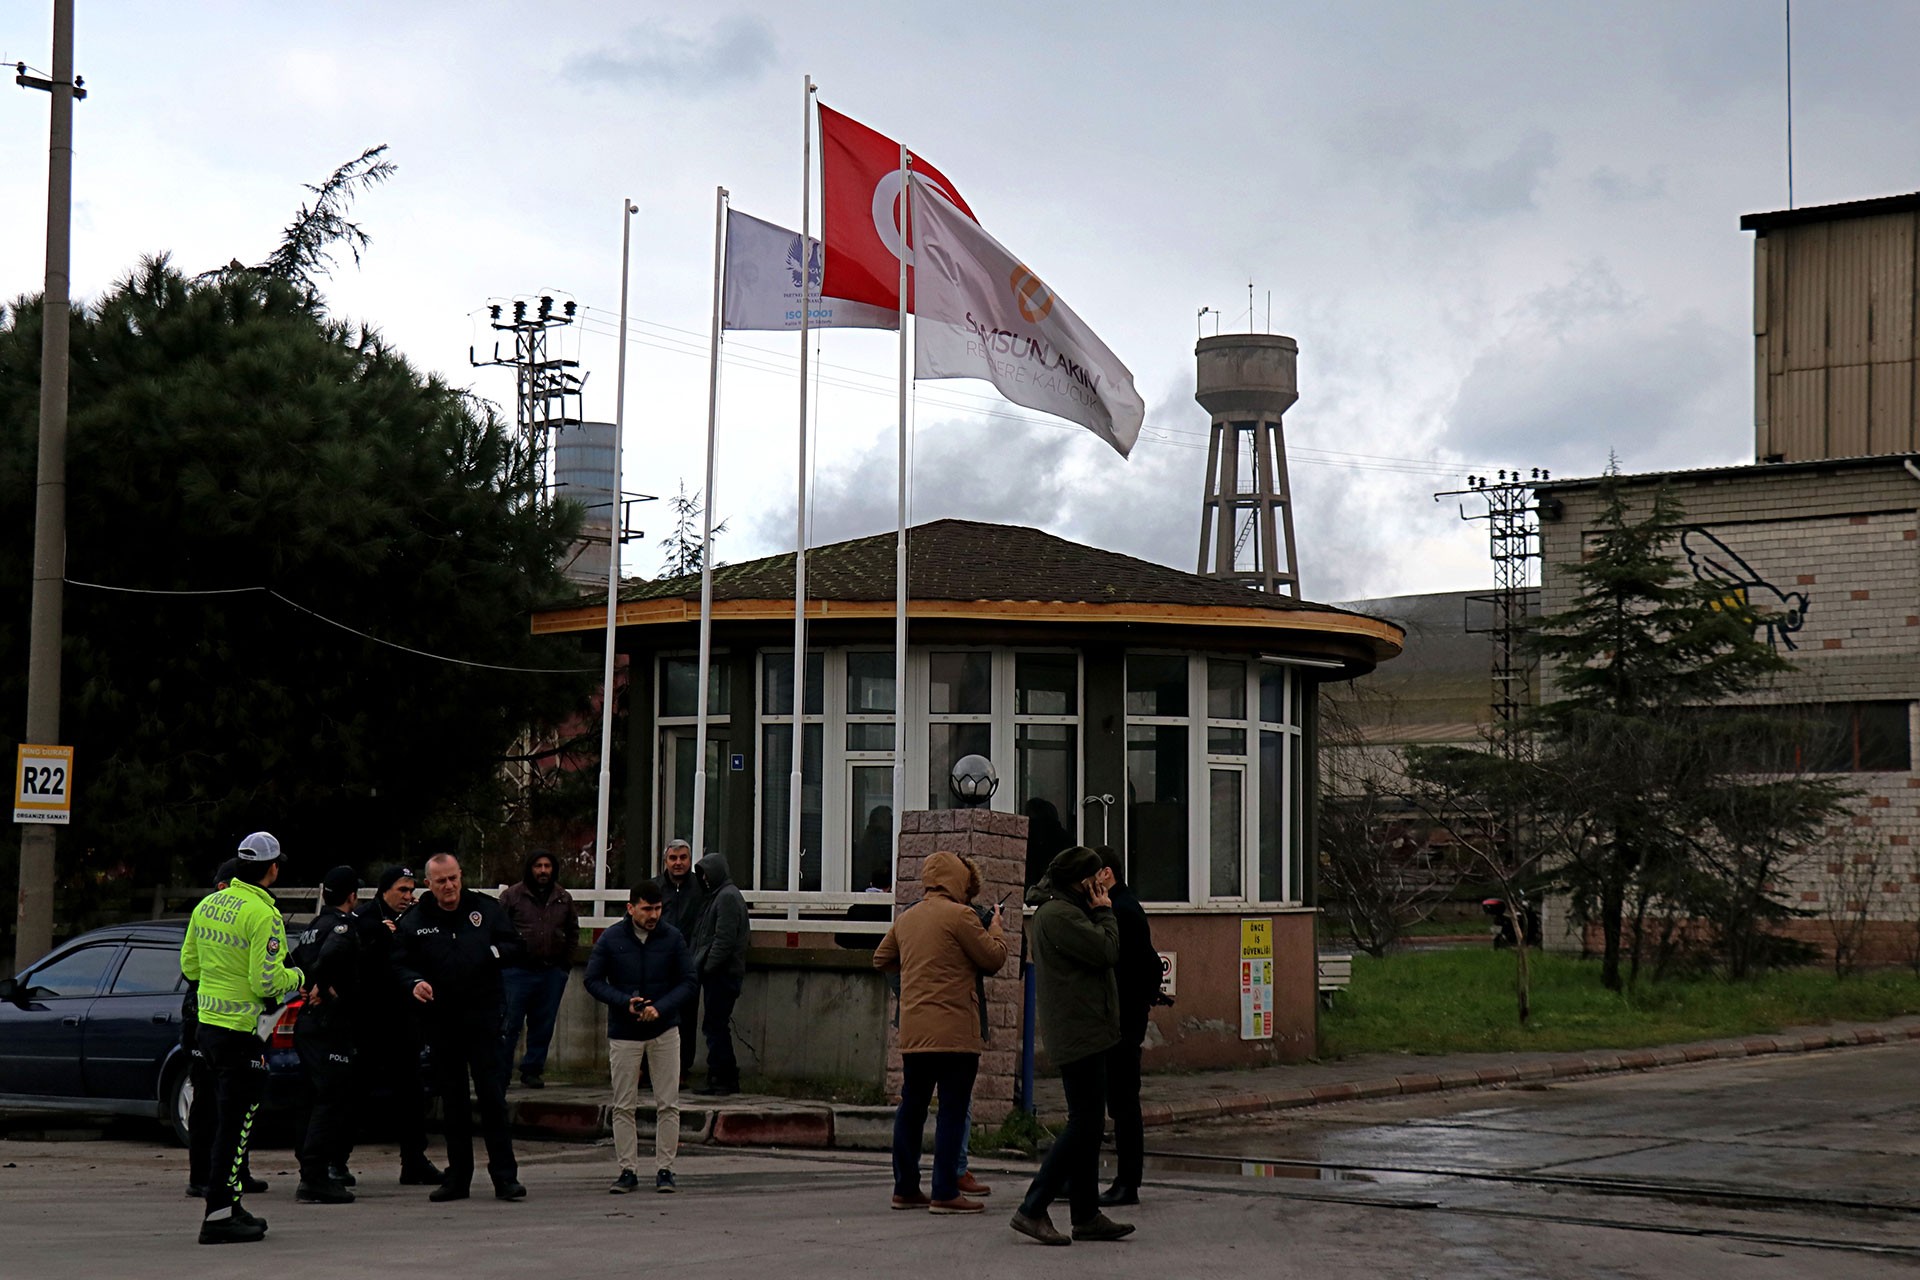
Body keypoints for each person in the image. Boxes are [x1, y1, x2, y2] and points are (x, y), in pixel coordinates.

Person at [179, 831, 306, 1245]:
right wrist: (300, 975)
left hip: (208, 1028)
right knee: (235, 1127)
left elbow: (190, 966)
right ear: (272, 869)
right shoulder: (262, 914)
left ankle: (230, 1204)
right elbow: (266, 980)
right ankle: (218, 1215)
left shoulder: (208, 904)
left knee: (219, 1120)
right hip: (241, 1034)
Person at [1009, 846, 1132, 1247]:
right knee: (1085, 1123)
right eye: (1096, 877)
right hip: (1078, 1030)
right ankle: (1033, 1206)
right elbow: (1107, 950)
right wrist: (1104, 910)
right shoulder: (1060, 915)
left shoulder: (1063, 909)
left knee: (1090, 1124)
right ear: (1083, 881)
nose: (1102, 884)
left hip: (1084, 1027)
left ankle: (1086, 1214)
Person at [873, 851, 1007, 1215]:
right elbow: (993, 957)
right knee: (952, 1108)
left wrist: (911, 986)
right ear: (958, 881)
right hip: (955, 1032)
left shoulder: (908, 917)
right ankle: (945, 1190)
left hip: (915, 1031)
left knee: (912, 1107)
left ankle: (905, 1188)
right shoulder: (962, 916)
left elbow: (881, 958)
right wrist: (995, 927)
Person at [394, 853, 527, 1202]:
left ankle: (504, 1177)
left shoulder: (485, 909)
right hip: (441, 1023)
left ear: (461, 876)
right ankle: (458, 1178)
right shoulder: (415, 920)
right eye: (441, 881)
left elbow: (515, 945)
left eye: (453, 878)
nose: (449, 886)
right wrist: (414, 982)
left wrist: (491, 954)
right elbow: (399, 964)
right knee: (453, 1102)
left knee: (492, 1098)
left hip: (483, 1018)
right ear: (429, 885)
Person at [584, 880, 697, 1194]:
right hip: (625, 1031)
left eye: (658, 908)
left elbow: (689, 981)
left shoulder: (673, 938)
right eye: (647, 909)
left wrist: (660, 1008)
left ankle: (665, 1169)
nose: (653, 915)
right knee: (623, 1105)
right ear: (631, 908)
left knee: (668, 1104)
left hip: (664, 1029)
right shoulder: (611, 938)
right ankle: (627, 1170)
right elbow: (592, 980)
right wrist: (624, 1001)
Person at [351, 865, 442, 1186]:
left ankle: (414, 1160)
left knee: (411, 1092)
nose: (408, 896)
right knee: (355, 1091)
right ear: (385, 890)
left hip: (405, 1019)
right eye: (402, 890)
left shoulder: (416, 920)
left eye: (411, 890)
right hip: (370, 1019)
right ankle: (333, 1160)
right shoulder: (364, 918)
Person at [183, 858, 267, 1201]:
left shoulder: (232, 917)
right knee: (208, 1101)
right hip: (205, 1016)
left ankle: (236, 1171)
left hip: (222, 1020)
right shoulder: (213, 914)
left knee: (233, 1105)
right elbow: (191, 968)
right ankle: (202, 1176)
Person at [287, 865, 363, 1205]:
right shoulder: (343, 926)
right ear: (352, 896)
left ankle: (310, 1167)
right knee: (331, 1098)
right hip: (329, 1025)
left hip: (308, 1024)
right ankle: (315, 1176)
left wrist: (309, 982)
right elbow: (331, 956)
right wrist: (324, 985)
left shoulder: (312, 928)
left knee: (310, 1097)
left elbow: (290, 966)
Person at [1094, 846, 1164, 1208]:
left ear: (1106, 874)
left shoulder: (1119, 911)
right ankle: (1121, 1181)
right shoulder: (1124, 905)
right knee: (1118, 1100)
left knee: (1122, 1102)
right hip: (1125, 1016)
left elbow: (1120, 965)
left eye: (1091, 875)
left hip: (1123, 1019)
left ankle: (1127, 1183)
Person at [498, 850, 578, 1089]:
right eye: (538, 866)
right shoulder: (511, 896)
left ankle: (532, 1070)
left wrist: (565, 965)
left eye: (547, 866)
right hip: (516, 972)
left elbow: (573, 931)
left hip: (551, 972)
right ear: (529, 868)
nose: (543, 871)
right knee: (509, 1024)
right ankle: (500, 1072)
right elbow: (496, 930)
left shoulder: (563, 897)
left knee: (543, 1025)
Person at [689, 852, 749, 1096]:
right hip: (720, 972)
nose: (703, 880)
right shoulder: (720, 896)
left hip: (722, 974)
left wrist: (707, 968)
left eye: (705, 874)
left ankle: (722, 1077)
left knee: (715, 1026)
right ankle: (721, 1076)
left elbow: (723, 940)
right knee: (715, 1025)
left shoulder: (725, 898)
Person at [654, 839, 707, 1087]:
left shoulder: (701, 888)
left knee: (686, 1019)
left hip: (688, 964)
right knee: (653, 1015)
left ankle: (681, 1070)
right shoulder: (654, 887)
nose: (678, 863)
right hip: (657, 964)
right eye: (673, 858)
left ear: (690, 860)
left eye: (683, 858)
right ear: (665, 861)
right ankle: (647, 1069)